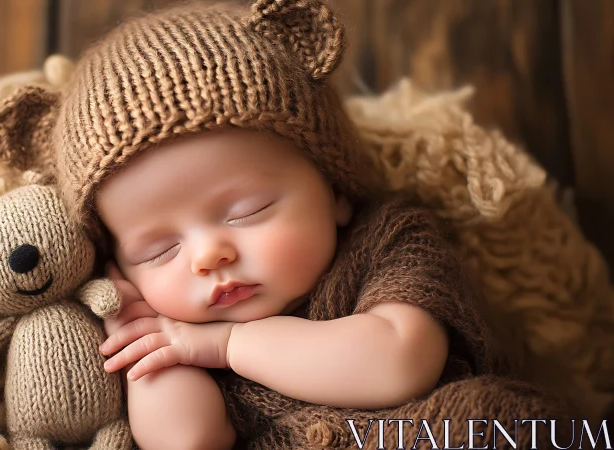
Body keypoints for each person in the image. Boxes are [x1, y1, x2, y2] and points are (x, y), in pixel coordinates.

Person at [47, 1, 504, 448]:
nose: (209, 256)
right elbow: (185, 439)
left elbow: (399, 363)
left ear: (334, 189)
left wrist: (229, 344)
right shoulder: (183, 334)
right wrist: (144, 336)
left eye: (248, 211)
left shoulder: (391, 242)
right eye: (158, 251)